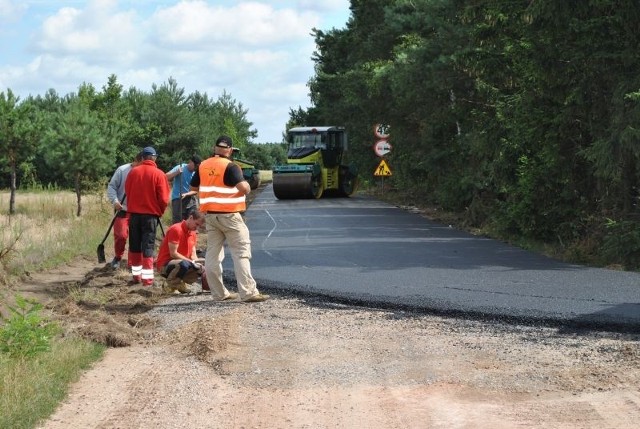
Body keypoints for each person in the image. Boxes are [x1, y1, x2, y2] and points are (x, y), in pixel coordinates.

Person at [190, 135, 269, 302]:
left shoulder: (203, 165)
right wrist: (246, 183)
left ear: (214, 148)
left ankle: (218, 294)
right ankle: (248, 293)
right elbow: (244, 189)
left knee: (212, 255)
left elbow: (193, 186)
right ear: (230, 150)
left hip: (210, 216)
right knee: (241, 253)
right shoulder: (231, 167)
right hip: (230, 216)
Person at [124, 146, 170, 286]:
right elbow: (163, 199)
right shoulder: (159, 174)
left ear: (143, 158)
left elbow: (128, 191)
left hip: (134, 216)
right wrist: (159, 212)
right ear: (154, 158)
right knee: (148, 247)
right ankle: (147, 279)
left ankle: (136, 277)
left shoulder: (133, 173)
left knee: (135, 246)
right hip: (150, 216)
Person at [106, 153, 143, 269]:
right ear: (137, 160)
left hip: (138, 211)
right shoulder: (122, 170)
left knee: (136, 237)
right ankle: (117, 257)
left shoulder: (145, 172)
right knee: (121, 235)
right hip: (122, 208)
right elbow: (112, 186)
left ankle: (133, 263)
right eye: (142, 163)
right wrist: (115, 201)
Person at [156, 210, 206, 294]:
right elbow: (173, 253)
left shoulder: (193, 233)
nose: (197, 228)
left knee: (201, 267)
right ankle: (169, 284)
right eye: (196, 224)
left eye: (199, 226)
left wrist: (201, 263)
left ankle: (179, 283)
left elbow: (193, 256)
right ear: (190, 218)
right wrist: (191, 262)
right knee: (184, 264)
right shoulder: (176, 229)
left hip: (181, 263)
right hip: (165, 265)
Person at [166, 155, 201, 224]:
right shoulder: (180, 167)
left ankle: (190, 235)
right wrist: (177, 172)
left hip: (191, 199)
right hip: (178, 199)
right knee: (178, 222)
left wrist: (187, 194)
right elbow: (166, 177)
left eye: (198, 166)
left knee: (192, 221)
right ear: (190, 162)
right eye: (195, 166)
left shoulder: (196, 173)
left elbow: (196, 190)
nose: (196, 168)